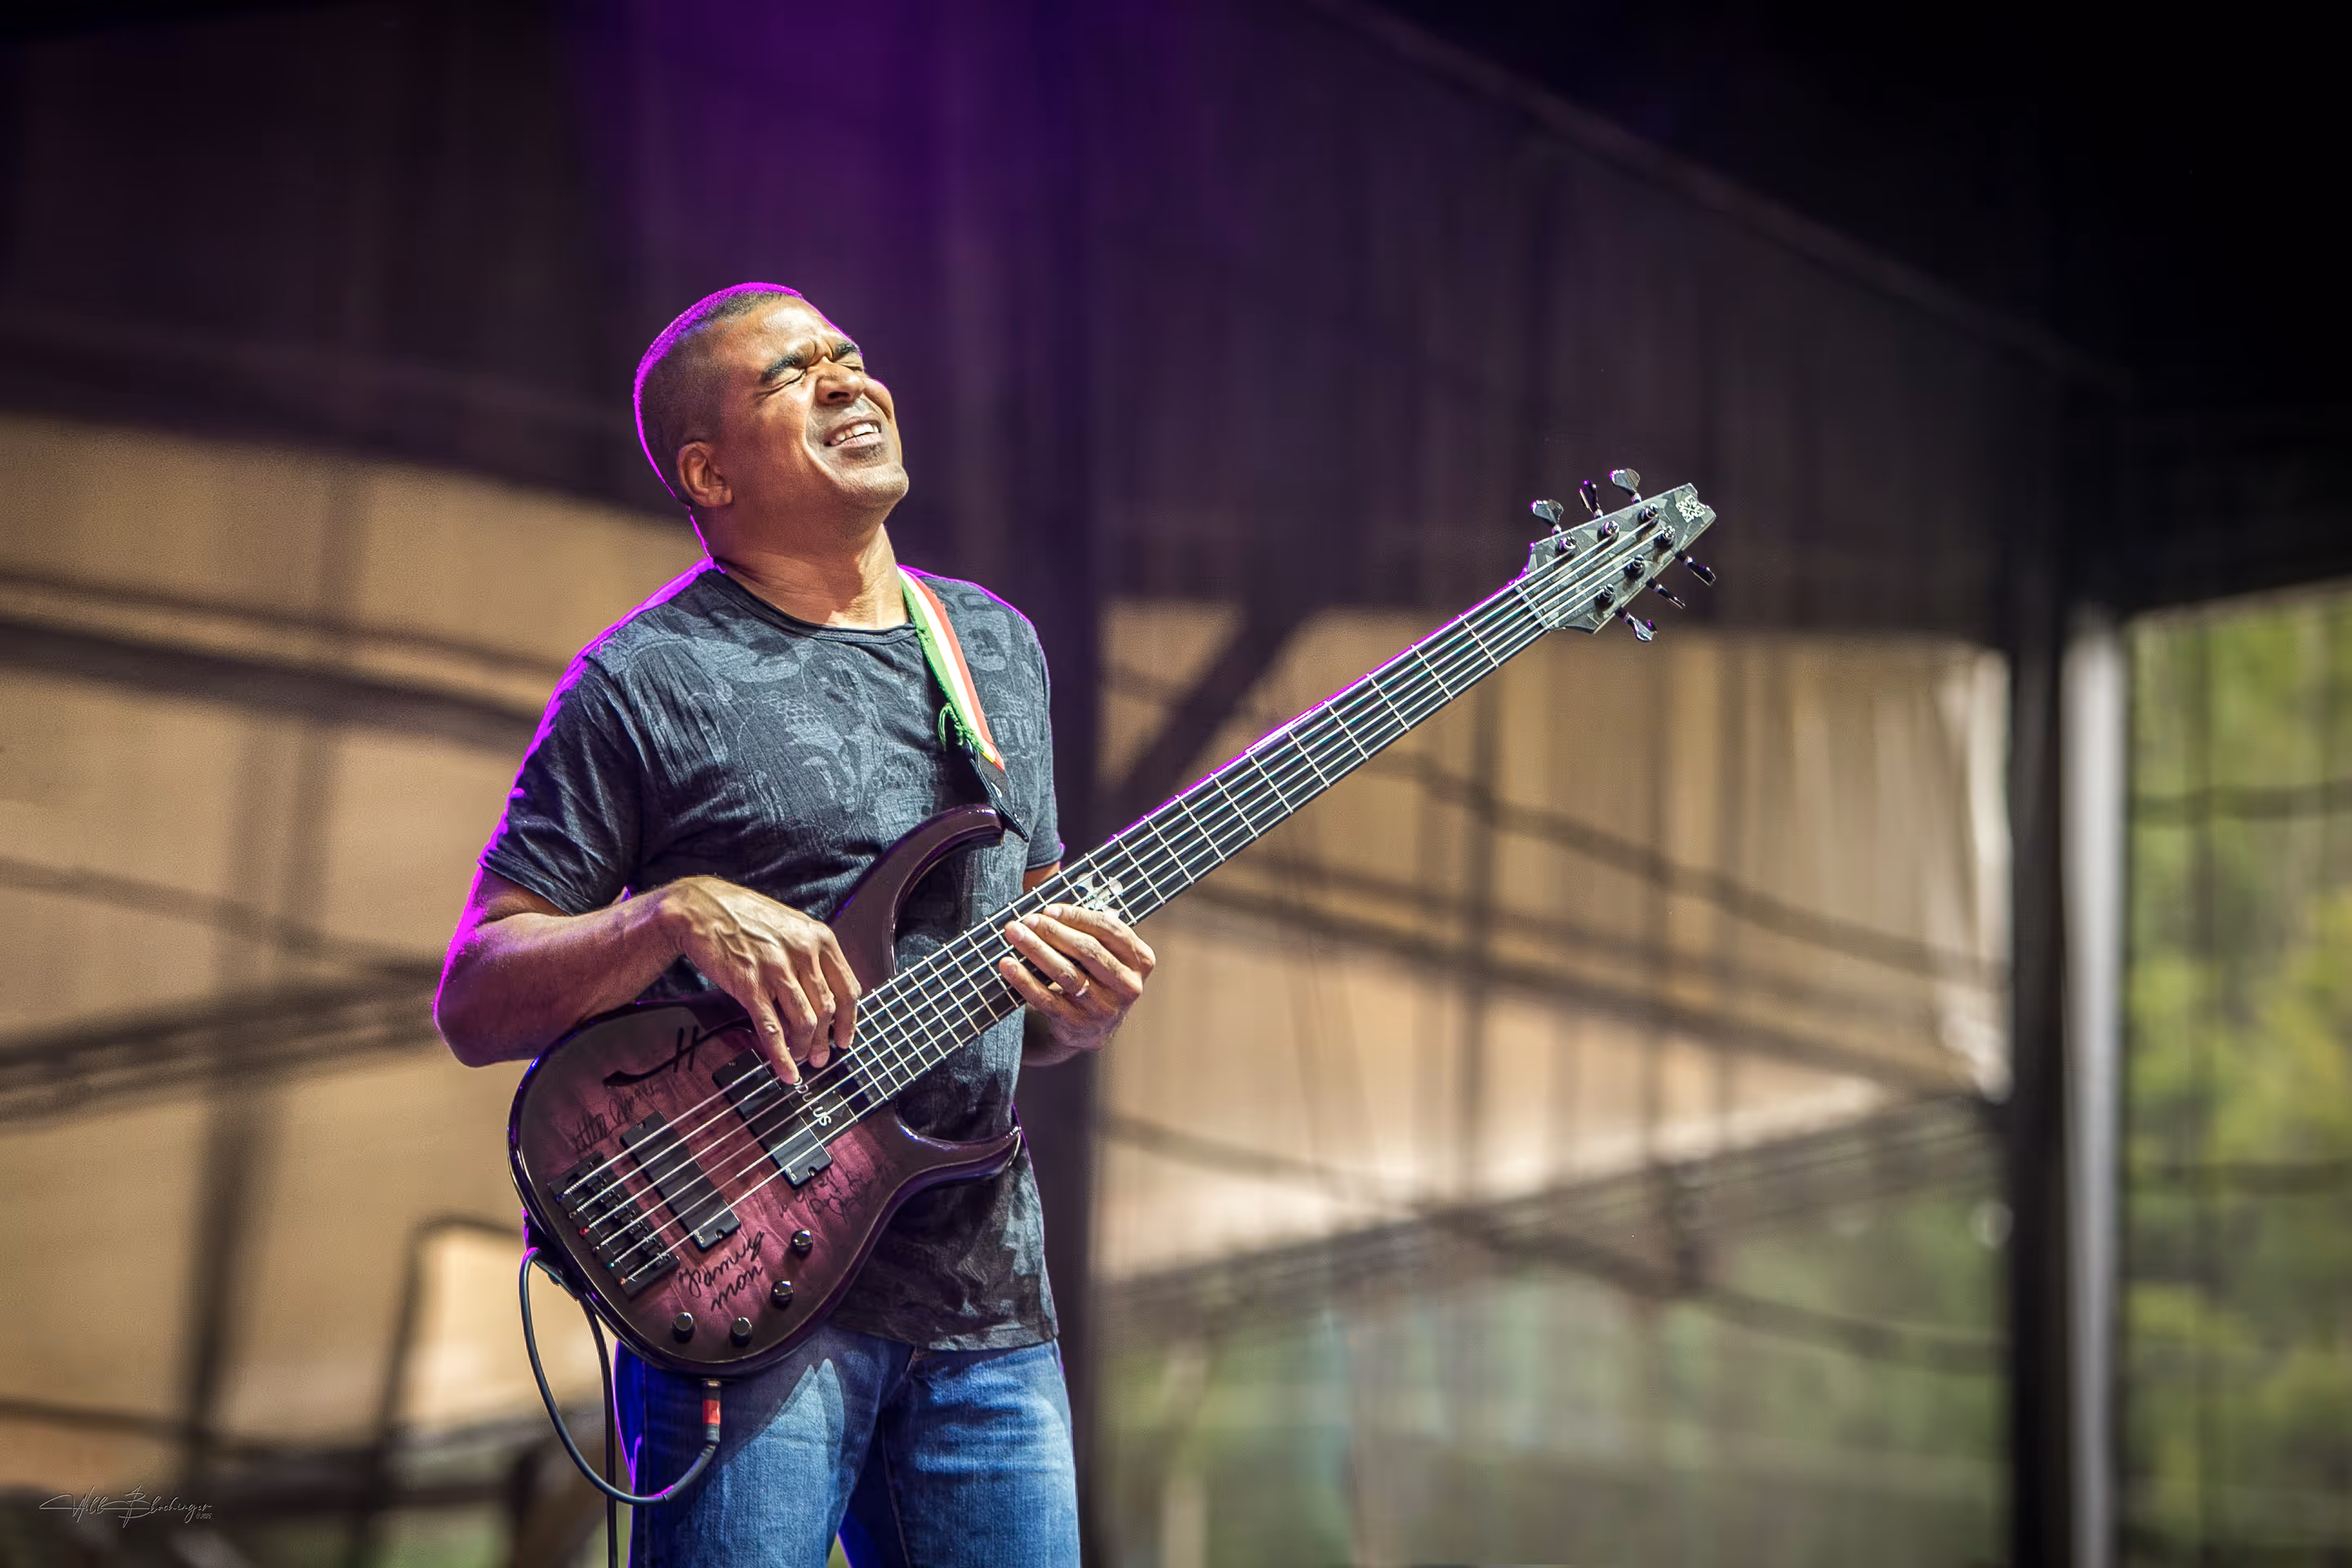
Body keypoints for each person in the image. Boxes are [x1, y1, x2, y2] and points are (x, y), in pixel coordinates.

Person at [433, 282, 1153, 1567]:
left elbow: (1016, 971)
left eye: (849, 354)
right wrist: (672, 915)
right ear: (707, 472)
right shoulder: (642, 680)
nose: (846, 379)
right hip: (746, 1292)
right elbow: (477, 994)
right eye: (791, 373)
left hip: (988, 1304)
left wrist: (1071, 1015)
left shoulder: (994, 646)